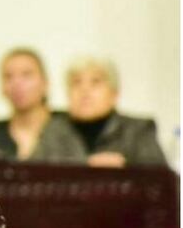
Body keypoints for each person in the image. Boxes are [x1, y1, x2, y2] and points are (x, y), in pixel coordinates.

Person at [34, 56, 167, 167]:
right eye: (76, 83)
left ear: (114, 94)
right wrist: (86, 165)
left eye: (95, 82)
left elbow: (161, 182)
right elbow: (33, 177)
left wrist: (126, 169)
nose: (84, 90)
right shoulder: (53, 131)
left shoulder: (138, 131)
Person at [0, 47, 69, 161]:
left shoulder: (69, 125)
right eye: (8, 76)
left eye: (26, 75)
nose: (17, 83)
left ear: (45, 83)